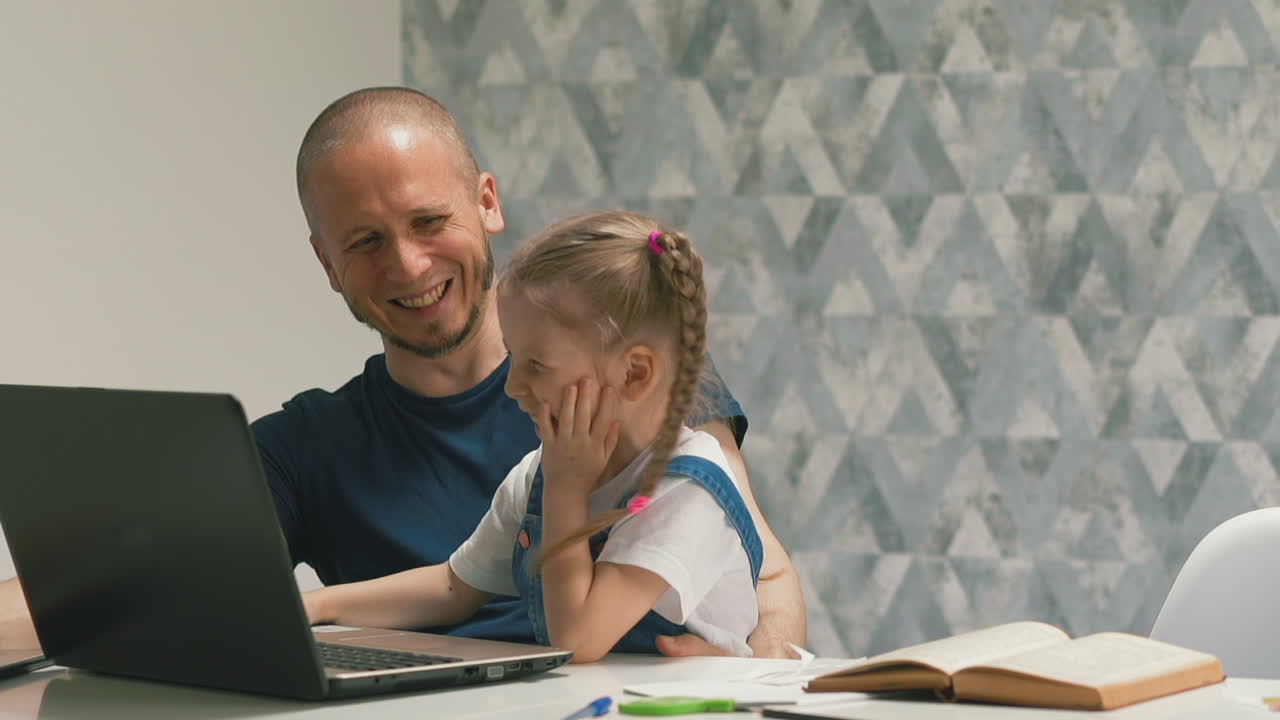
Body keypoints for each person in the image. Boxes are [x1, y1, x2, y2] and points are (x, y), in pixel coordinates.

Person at [0, 86, 805, 656]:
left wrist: (757, 660)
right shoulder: (302, 447)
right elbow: (117, 585)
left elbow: (764, 575)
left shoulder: (638, 388)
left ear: (487, 203)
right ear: (326, 263)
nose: (409, 263)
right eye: (364, 241)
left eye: (429, 220)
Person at [305, 211, 761, 662]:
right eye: (512, 358)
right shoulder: (541, 472)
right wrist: (320, 605)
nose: (511, 386)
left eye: (536, 365)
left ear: (634, 372)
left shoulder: (687, 487)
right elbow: (454, 586)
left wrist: (566, 489)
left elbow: (577, 639)